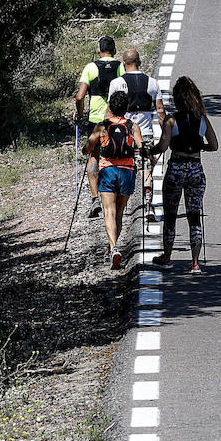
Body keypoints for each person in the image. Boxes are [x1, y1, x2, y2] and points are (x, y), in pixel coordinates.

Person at [151, 76, 218, 273]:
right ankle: (195, 262)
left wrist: (150, 151)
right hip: (196, 169)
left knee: (171, 215)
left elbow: (163, 146)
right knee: (194, 215)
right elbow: (214, 145)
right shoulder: (201, 119)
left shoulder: (172, 120)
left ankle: (167, 256)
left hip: (176, 168)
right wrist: (200, 146)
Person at [84, 90, 142, 269]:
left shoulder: (102, 126)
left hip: (108, 170)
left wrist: (90, 150)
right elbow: (141, 147)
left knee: (108, 211)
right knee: (119, 212)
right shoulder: (132, 125)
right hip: (127, 171)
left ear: (110, 106)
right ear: (126, 108)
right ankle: (113, 248)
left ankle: (113, 248)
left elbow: (88, 147)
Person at [108, 48, 166, 221]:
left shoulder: (117, 83)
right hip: (146, 134)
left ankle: (121, 206)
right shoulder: (152, 83)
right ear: (139, 61)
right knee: (146, 170)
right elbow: (160, 111)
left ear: (124, 64)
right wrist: (165, 134)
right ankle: (149, 206)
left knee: (121, 168)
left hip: (123, 134)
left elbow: (110, 111)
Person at [74, 36, 124, 218]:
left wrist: (79, 115)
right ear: (114, 50)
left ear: (99, 50)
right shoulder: (121, 67)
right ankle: (115, 195)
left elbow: (80, 96)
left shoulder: (90, 67)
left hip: (95, 118)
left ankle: (95, 198)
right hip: (116, 118)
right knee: (116, 154)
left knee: (93, 157)